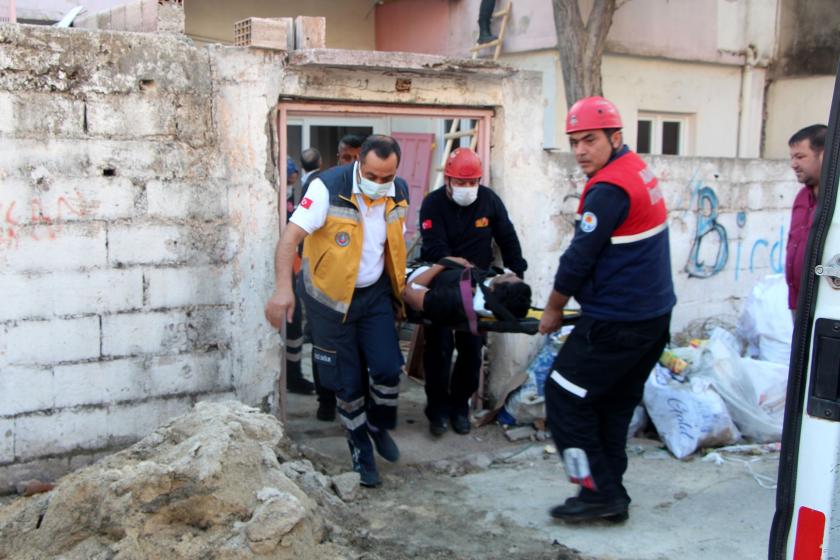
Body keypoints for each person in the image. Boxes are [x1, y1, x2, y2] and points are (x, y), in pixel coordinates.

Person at [539, 96, 675, 523]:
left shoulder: (609, 188)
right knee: (610, 405)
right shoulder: (635, 168)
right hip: (652, 318)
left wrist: (552, 309)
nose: (581, 150)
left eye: (590, 140)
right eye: (575, 142)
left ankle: (594, 491)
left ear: (615, 137)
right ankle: (611, 491)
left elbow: (579, 258)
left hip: (618, 322)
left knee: (563, 394)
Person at [265, 135, 409, 488]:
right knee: (347, 383)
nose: (378, 184)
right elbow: (289, 238)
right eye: (371, 175)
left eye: (385, 177)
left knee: (389, 369)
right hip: (330, 299)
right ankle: (360, 447)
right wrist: (284, 288)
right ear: (359, 163)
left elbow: (393, 240)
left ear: (395, 172)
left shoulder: (400, 190)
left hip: (373, 295)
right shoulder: (327, 187)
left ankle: (376, 424)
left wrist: (404, 288)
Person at [418, 147, 527, 436]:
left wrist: (517, 273)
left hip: (478, 293)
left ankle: (459, 408)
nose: (467, 188)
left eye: (472, 182)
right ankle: (437, 410)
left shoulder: (489, 201)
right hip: (442, 287)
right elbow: (434, 249)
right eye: (461, 183)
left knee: (471, 353)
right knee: (438, 351)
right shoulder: (432, 204)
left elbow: (507, 237)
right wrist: (455, 269)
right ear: (449, 181)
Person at [301, 133, 366, 422]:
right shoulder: (321, 186)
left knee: (358, 348)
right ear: (337, 158)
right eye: (345, 157)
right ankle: (325, 400)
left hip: (359, 286)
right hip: (324, 285)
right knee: (322, 346)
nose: (350, 163)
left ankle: (354, 402)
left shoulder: (372, 191)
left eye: (356, 158)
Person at [402, 257, 532, 326]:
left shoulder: (455, 299)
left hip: (398, 281)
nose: (512, 273)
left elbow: (407, 293)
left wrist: (443, 263)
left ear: (495, 290)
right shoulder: (486, 289)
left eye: (509, 276)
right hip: (411, 269)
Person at [786, 124, 826, 320]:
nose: (793, 164)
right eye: (792, 157)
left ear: (823, 156)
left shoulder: (834, 202)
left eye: (800, 157)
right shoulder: (802, 197)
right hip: (799, 304)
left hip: (827, 306)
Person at [283, 157, 314, 395]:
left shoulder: (298, 196)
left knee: (295, 325)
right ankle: (290, 376)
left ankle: (294, 376)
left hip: (294, 269)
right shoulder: (279, 197)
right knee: (290, 325)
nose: (292, 178)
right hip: (282, 269)